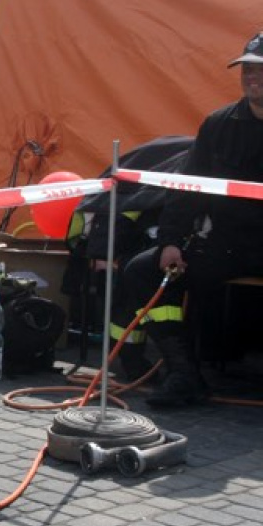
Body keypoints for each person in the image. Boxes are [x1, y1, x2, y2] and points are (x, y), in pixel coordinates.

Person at [109, 31, 263, 408]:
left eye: (259, 70)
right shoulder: (218, 125)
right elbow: (185, 189)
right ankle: (184, 374)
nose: (250, 76)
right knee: (142, 271)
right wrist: (171, 242)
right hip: (227, 243)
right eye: (246, 69)